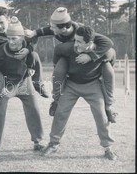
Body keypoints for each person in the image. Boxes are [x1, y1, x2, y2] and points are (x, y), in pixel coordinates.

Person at [25, 7, 117, 123]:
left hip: (89, 54)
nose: (51, 29)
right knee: (58, 72)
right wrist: (34, 33)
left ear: (63, 28)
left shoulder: (80, 30)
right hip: (70, 54)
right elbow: (49, 32)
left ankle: (108, 107)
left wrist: (91, 56)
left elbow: (108, 42)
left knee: (109, 59)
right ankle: (56, 101)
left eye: (53, 27)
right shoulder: (60, 29)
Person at [40, 26, 117, 160]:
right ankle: (53, 143)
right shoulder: (68, 48)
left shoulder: (104, 51)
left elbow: (112, 56)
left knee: (101, 114)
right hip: (72, 84)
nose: (76, 44)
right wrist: (57, 65)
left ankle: (107, 147)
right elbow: (58, 50)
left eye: (80, 42)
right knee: (61, 111)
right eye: (75, 40)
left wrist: (91, 56)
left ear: (90, 43)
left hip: (93, 85)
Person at [0, 17, 44, 158]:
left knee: (34, 109)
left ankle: (37, 142)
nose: (11, 42)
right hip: (7, 85)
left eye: (14, 38)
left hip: (24, 82)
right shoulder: (0, 53)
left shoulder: (29, 44)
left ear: (22, 38)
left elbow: (35, 39)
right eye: (8, 39)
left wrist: (29, 57)